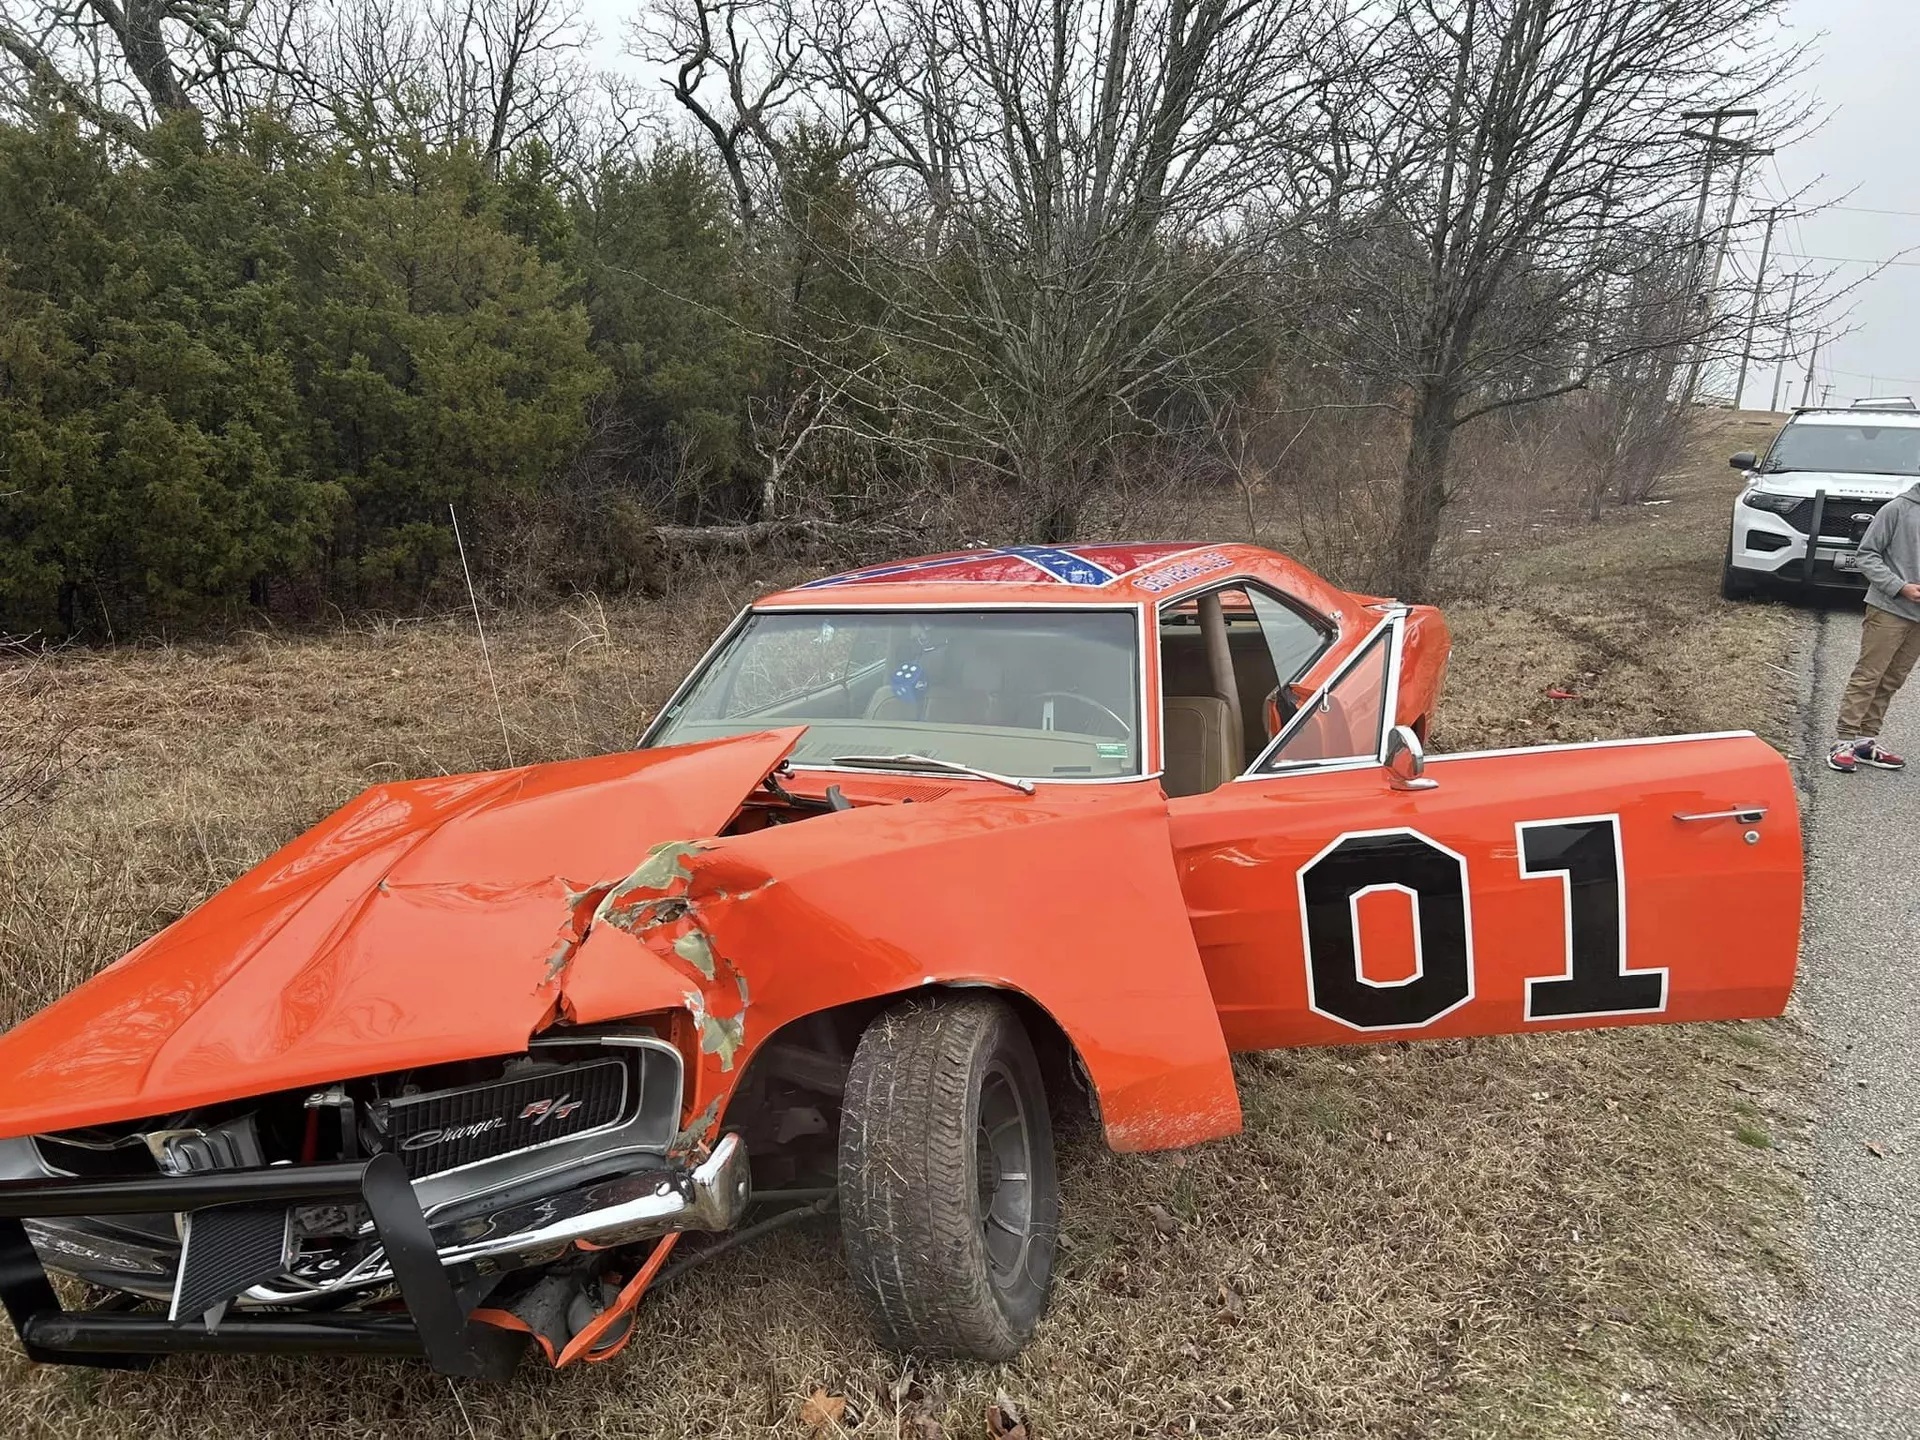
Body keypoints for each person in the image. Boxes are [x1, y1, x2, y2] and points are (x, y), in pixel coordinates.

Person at [1829, 480, 1920, 772]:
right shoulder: (1896, 509)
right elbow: (1867, 554)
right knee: (1869, 675)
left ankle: (1866, 742)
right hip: (1889, 608)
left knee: (1892, 680)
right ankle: (1843, 741)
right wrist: (1899, 587)